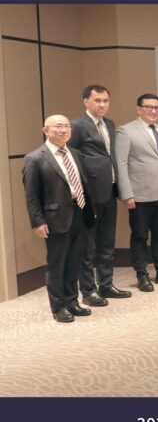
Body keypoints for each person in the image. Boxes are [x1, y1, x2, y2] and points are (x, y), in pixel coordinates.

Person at [22, 115, 97, 322]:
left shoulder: (76, 154)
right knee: (57, 264)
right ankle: (58, 307)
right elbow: (31, 195)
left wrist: (90, 210)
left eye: (67, 126)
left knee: (74, 261)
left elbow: (84, 184)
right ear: (46, 131)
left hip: (79, 212)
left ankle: (72, 301)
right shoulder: (35, 158)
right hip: (55, 218)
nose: (64, 130)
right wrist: (37, 221)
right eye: (58, 126)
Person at [68, 84, 130, 306]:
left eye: (105, 101)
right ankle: (88, 291)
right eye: (97, 100)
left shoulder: (109, 124)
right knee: (88, 245)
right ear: (86, 101)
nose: (102, 104)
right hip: (89, 193)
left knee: (106, 241)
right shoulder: (77, 125)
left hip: (109, 190)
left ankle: (106, 284)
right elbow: (70, 157)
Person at [114, 94, 158, 292]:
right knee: (140, 236)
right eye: (149, 107)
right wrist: (126, 194)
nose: (153, 111)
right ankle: (142, 275)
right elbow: (121, 164)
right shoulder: (126, 131)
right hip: (139, 194)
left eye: (157, 108)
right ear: (139, 109)